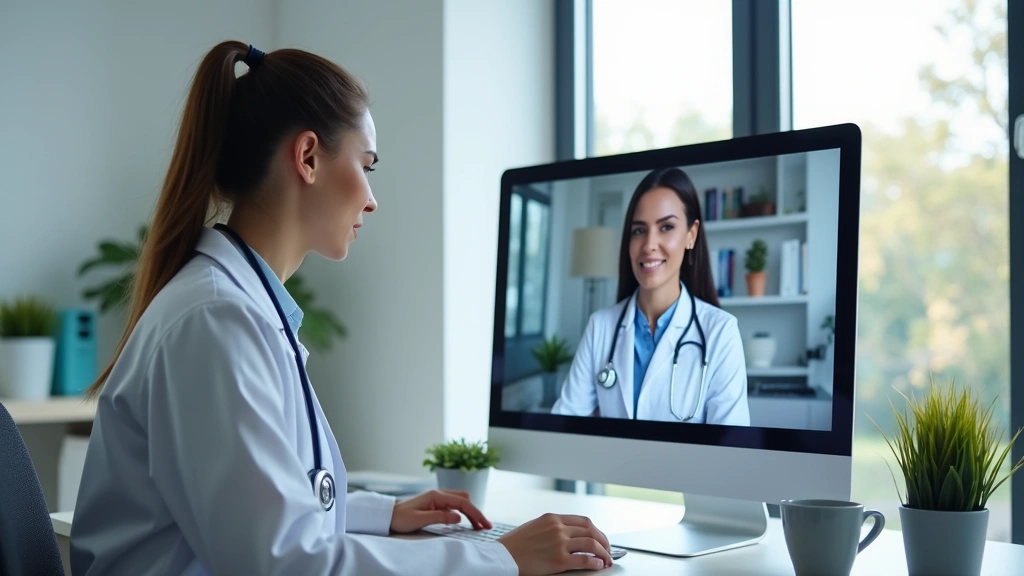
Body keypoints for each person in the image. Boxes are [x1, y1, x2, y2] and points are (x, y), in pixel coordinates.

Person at [69, 41, 614, 576]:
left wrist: (382, 513)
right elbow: (286, 563)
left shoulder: (235, 305)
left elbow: (257, 508)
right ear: (307, 157)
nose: (371, 199)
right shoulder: (216, 320)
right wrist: (500, 557)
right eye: (367, 165)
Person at [551, 167, 750, 425]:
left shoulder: (721, 332)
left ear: (691, 234)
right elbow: (564, 425)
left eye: (666, 227)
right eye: (639, 230)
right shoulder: (600, 326)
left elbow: (731, 450)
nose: (648, 245)